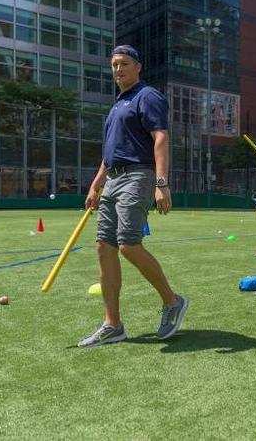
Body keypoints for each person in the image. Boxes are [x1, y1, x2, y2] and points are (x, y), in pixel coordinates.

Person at [79, 45, 188, 348]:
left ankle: (173, 301)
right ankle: (112, 325)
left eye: (124, 63)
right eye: (114, 65)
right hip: (113, 179)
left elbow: (161, 138)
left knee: (128, 244)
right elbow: (110, 153)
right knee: (104, 246)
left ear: (138, 66)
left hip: (138, 175)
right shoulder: (117, 105)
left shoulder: (147, 96)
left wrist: (162, 183)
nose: (118, 69)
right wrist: (96, 184)